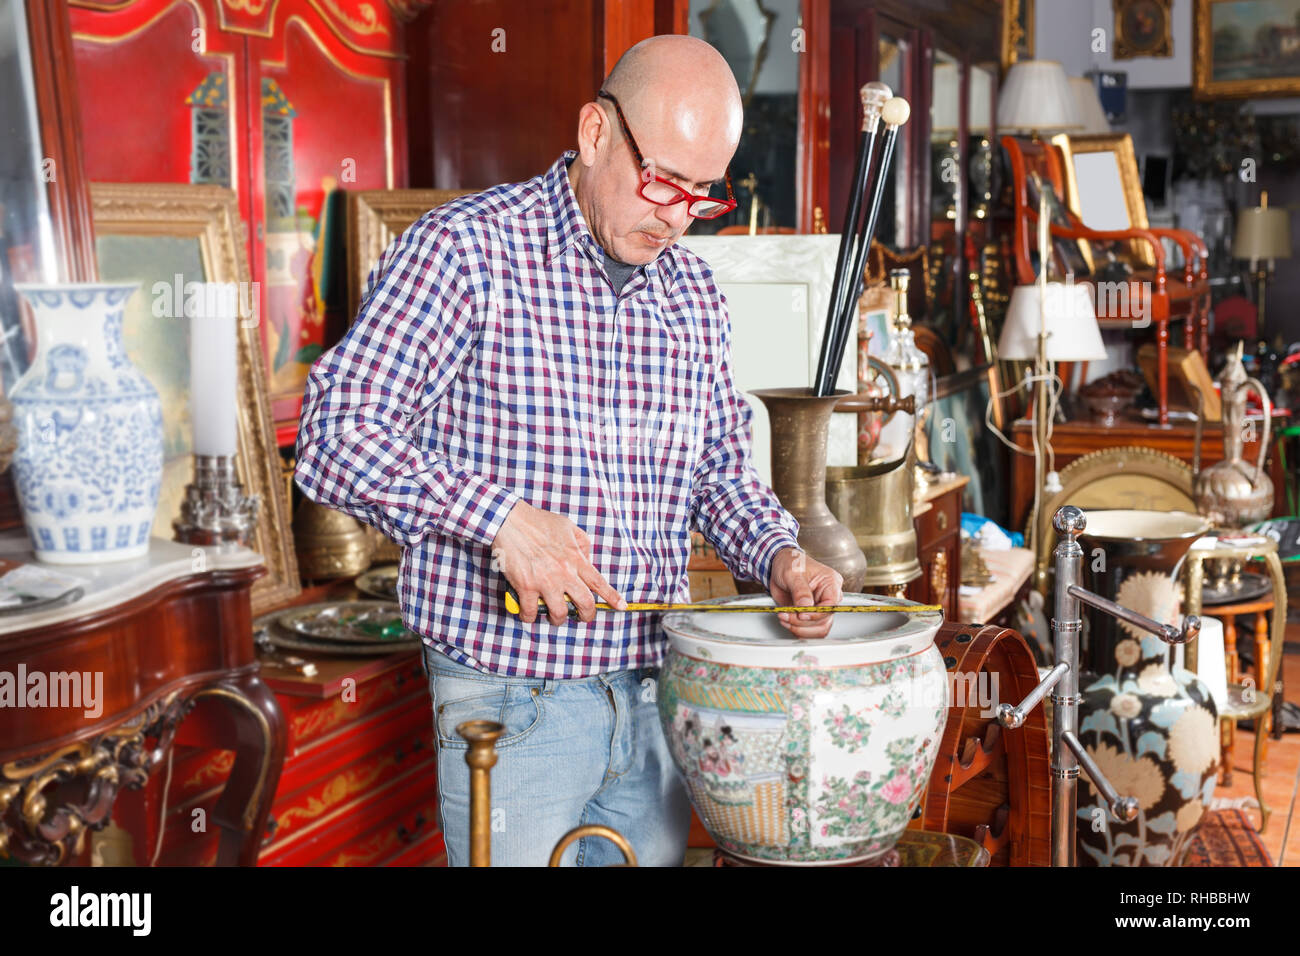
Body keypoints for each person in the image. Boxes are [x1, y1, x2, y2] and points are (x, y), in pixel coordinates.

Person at [294, 34, 843, 867]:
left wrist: (779, 557)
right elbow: (334, 437)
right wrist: (502, 520)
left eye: (702, 195)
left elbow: (721, 473)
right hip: (510, 704)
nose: (674, 216)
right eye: (661, 181)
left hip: (659, 689)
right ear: (594, 133)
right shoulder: (467, 253)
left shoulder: (693, 294)